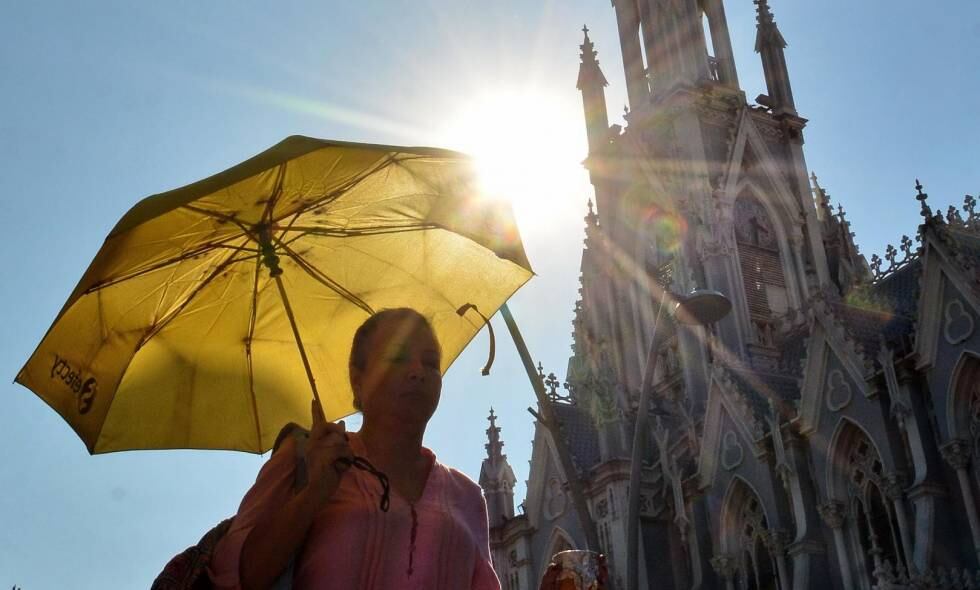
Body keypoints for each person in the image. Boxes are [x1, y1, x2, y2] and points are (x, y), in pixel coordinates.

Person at [208, 308, 500, 590]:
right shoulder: (308, 457)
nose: (418, 372)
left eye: (431, 362)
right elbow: (237, 577)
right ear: (357, 380)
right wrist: (314, 493)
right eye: (397, 357)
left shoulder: (468, 497)